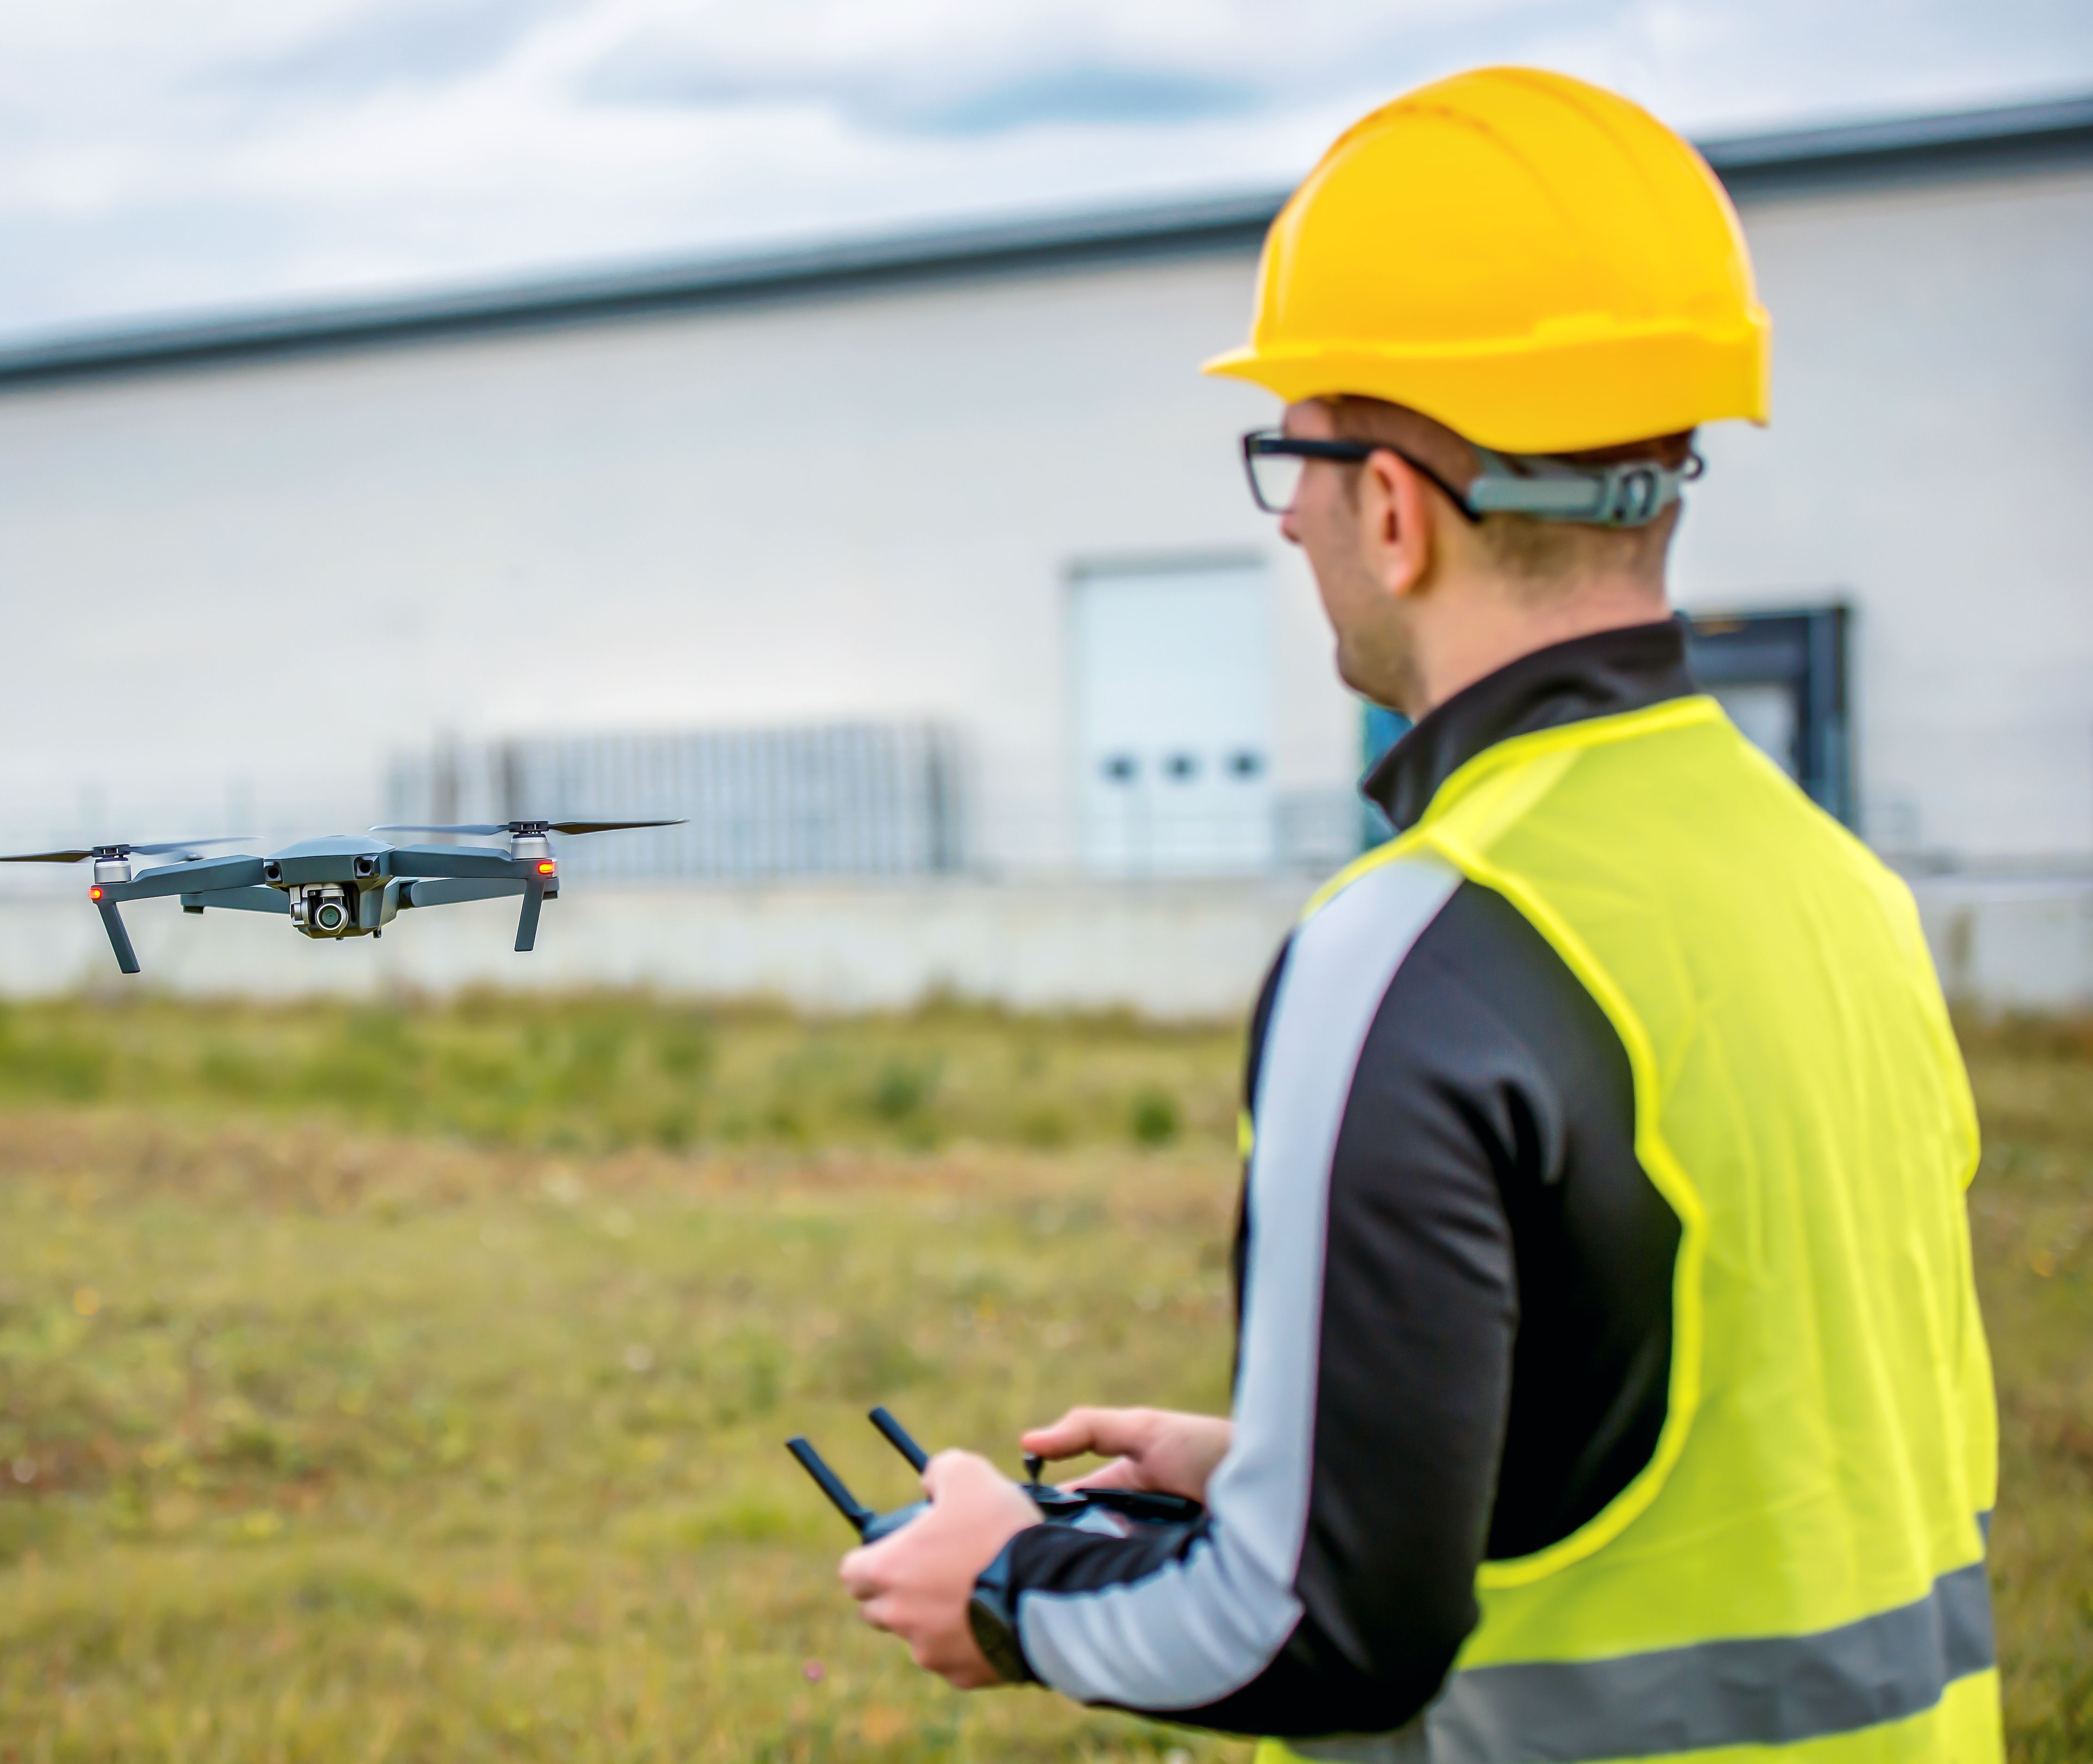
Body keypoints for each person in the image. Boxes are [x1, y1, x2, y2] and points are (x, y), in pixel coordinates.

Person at [837, 66, 2001, 1764]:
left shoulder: (1418, 946)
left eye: (1292, 457)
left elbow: (1320, 1638)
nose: (1290, 513)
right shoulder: (1839, 889)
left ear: (1390, 506)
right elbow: (1734, 1432)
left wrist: (1010, 1587)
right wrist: (1276, 1466)